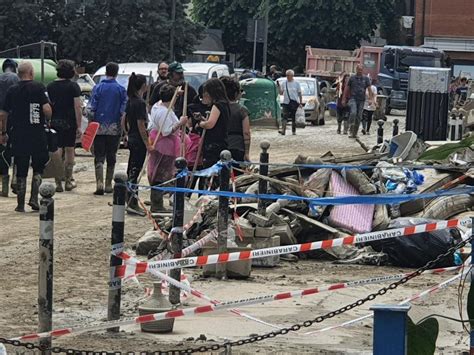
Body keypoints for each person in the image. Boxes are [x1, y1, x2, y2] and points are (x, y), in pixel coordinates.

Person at [0, 61, 52, 212]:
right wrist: (48, 119)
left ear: (19, 74)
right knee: (38, 166)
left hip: (18, 133)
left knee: (21, 166)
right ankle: (34, 198)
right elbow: (47, 109)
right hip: (37, 133)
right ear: (31, 73)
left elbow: (3, 114)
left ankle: (20, 204)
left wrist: (3, 133)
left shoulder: (12, 90)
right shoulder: (39, 87)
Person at [147, 84, 188, 212]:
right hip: (164, 145)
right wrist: (180, 123)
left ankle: (158, 202)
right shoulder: (163, 111)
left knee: (160, 173)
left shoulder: (157, 106)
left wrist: (176, 93)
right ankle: (157, 204)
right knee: (161, 175)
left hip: (162, 143)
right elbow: (166, 131)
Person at [89, 62, 127, 195]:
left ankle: (98, 183)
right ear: (117, 73)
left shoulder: (98, 88)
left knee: (99, 155)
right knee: (112, 155)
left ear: (106, 72)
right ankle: (108, 184)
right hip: (114, 127)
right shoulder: (121, 90)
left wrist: (91, 124)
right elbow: (123, 111)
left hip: (98, 126)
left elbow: (91, 108)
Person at [47, 59, 82, 192]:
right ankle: (68, 180)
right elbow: (77, 107)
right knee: (69, 149)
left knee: (57, 150)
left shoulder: (50, 86)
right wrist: (79, 126)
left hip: (55, 120)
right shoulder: (73, 86)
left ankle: (58, 182)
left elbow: (49, 105)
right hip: (70, 122)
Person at [124, 73, 151, 216]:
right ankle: (132, 202)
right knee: (135, 171)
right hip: (138, 140)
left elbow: (124, 119)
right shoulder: (139, 103)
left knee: (131, 170)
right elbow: (141, 124)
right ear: (142, 85)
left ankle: (130, 199)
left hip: (132, 137)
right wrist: (147, 143)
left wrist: (127, 133)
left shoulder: (130, 101)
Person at [198, 78, 231, 169]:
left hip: (214, 144)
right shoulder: (226, 104)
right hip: (223, 141)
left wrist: (201, 123)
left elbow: (210, 124)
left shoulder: (217, 105)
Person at [220, 76, 251, 164]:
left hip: (222, 146)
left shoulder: (218, 108)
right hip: (238, 146)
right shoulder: (242, 110)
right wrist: (247, 152)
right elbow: (246, 132)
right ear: (236, 93)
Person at [0, 59, 19, 197]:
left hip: (1, 118)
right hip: (17, 119)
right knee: (18, 149)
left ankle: (4, 187)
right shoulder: (18, 79)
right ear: (14, 68)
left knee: (3, 152)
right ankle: (16, 179)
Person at [343, 65, 375, 138]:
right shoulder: (352, 78)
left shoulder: (366, 79)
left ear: (363, 70)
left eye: (361, 70)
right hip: (353, 98)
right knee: (353, 113)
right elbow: (346, 89)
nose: (360, 71)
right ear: (356, 70)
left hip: (362, 100)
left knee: (359, 116)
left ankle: (355, 133)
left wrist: (370, 99)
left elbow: (369, 89)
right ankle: (350, 130)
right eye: (358, 70)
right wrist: (344, 99)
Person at [278, 69, 302, 136]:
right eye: (286, 75)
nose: (287, 77)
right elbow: (281, 93)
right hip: (286, 102)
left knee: (293, 117)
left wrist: (300, 102)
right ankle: (283, 130)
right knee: (284, 116)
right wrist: (279, 87)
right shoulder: (284, 83)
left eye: (289, 75)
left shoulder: (296, 83)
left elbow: (299, 93)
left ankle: (293, 131)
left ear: (292, 76)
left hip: (294, 102)